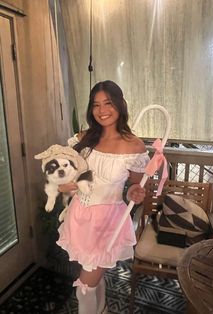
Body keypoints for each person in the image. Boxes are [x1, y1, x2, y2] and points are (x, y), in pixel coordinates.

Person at [56, 80, 150, 314]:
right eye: (96, 105)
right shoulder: (84, 138)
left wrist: (135, 193)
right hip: (80, 217)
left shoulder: (134, 146)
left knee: (84, 288)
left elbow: (133, 188)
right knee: (94, 277)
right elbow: (69, 174)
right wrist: (66, 184)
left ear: (120, 104)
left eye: (108, 103)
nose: (102, 110)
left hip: (107, 222)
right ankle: (104, 309)